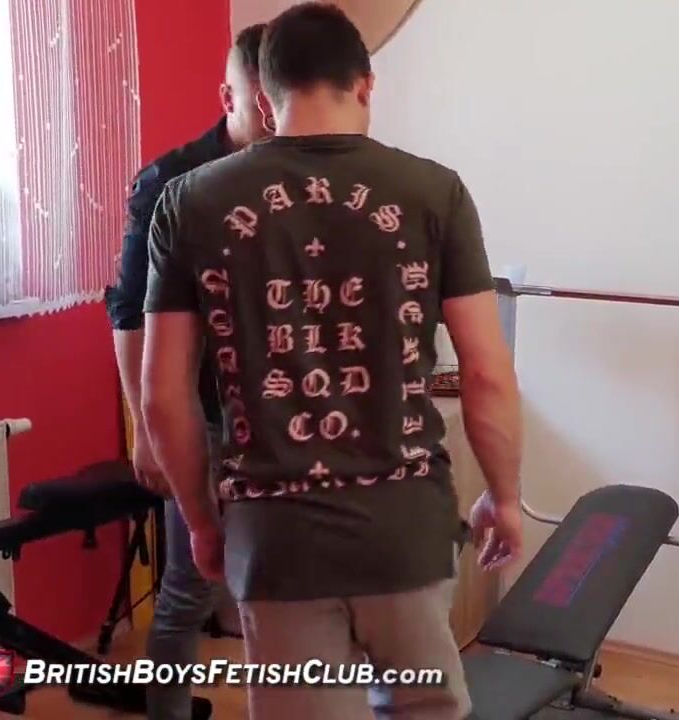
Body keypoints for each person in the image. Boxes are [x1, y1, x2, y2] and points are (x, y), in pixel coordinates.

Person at [139, 3, 523, 719]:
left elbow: (163, 398)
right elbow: (485, 373)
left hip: (274, 537)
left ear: (264, 98)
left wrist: (200, 522)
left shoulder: (189, 202)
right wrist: (504, 495)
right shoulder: (434, 193)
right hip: (403, 528)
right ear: (367, 84)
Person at [106, 23, 269, 720]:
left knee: (276, 584)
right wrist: (146, 428)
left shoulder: (297, 176)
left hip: (273, 409)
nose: (275, 121)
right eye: (261, 106)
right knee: (187, 586)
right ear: (229, 98)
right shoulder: (169, 182)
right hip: (194, 408)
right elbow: (127, 312)